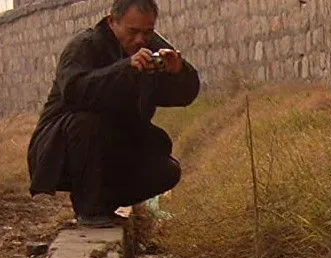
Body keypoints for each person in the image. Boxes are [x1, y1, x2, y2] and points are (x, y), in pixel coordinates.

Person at [27, 0, 201, 227]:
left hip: (115, 147)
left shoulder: (151, 46)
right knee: (86, 122)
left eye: (147, 32)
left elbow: (183, 96)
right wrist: (126, 69)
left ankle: (103, 201)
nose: (140, 40)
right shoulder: (84, 46)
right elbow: (75, 92)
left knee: (167, 171)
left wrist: (178, 72)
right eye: (133, 32)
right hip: (62, 149)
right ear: (112, 22)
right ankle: (90, 209)